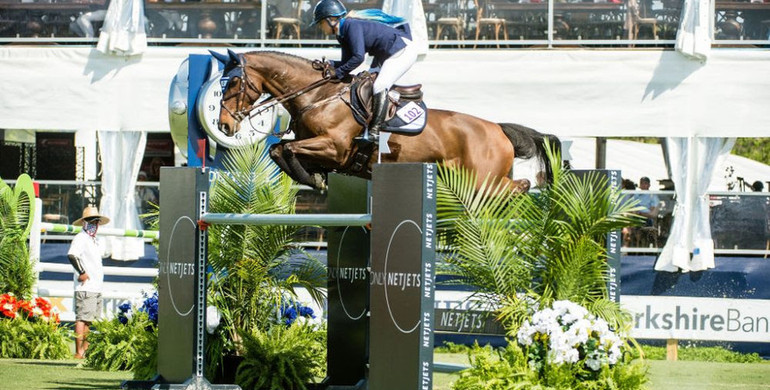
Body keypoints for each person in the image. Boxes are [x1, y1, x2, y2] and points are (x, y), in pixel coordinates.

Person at [311, 0, 419, 141]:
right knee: (366, 84)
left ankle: (375, 131)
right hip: (385, 54)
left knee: (379, 85)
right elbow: (346, 62)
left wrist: (337, 73)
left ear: (331, 19)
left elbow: (358, 58)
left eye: (320, 23)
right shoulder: (341, 33)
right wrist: (330, 64)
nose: (320, 27)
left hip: (402, 50)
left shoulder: (351, 26)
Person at [67, 205, 110, 359]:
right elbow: (72, 255)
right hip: (85, 286)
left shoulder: (94, 240)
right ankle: (79, 351)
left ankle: (84, 351)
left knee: (88, 320)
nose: (95, 224)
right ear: (85, 222)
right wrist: (83, 273)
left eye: (97, 221)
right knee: (82, 318)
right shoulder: (81, 238)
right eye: (92, 221)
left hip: (95, 286)